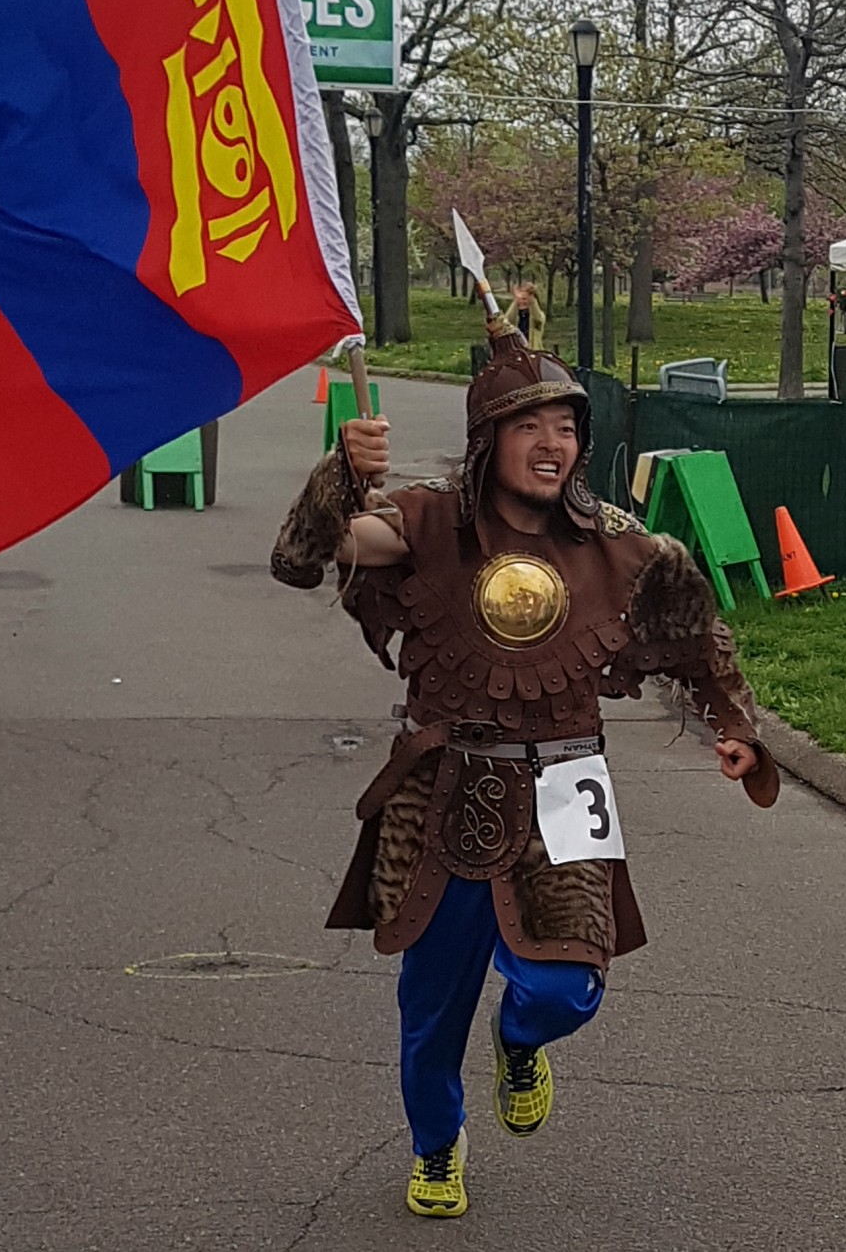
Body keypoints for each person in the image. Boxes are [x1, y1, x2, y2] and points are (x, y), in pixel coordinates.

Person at [270, 310, 777, 1220]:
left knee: (565, 985)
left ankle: (518, 1044)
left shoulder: (618, 544)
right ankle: (436, 1147)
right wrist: (344, 474)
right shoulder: (420, 521)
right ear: (488, 437)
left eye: (568, 426)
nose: (553, 445)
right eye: (530, 426)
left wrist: (732, 721)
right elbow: (307, 555)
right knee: (429, 1012)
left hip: (562, 785)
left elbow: (702, 631)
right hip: (439, 792)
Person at [509, 282, 546, 350]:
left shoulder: (539, 316)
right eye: (520, 299)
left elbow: (538, 319)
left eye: (524, 299)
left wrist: (532, 301)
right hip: (517, 350)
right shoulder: (517, 316)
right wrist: (516, 302)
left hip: (534, 351)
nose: (522, 302)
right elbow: (507, 320)